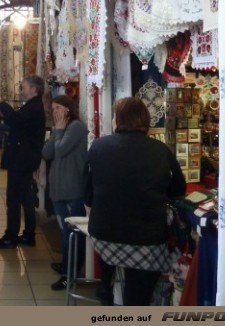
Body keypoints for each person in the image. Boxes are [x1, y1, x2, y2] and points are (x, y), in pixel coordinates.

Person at [84, 97, 186, 305]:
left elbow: (87, 193)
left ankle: (106, 287)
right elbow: (179, 189)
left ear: (119, 120)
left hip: (105, 235)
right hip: (147, 239)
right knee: (138, 295)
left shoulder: (98, 147)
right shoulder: (160, 150)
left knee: (110, 244)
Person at [0, 75, 46, 249]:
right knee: (25, 197)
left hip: (22, 160)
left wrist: (1, 103)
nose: (21, 90)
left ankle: (10, 237)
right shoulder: (33, 106)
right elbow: (17, 123)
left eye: (23, 87)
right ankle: (29, 234)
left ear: (34, 89)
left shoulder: (34, 107)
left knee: (14, 198)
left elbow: (15, 120)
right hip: (24, 159)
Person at [41, 95, 88, 291]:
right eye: (53, 109)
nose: (55, 112)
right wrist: (56, 133)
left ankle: (70, 274)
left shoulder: (76, 127)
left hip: (72, 189)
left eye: (59, 107)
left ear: (68, 109)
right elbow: (47, 153)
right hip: (59, 189)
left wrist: (58, 132)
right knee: (64, 231)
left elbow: (60, 150)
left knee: (73, 234)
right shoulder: (60, 129)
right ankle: (65, 265)